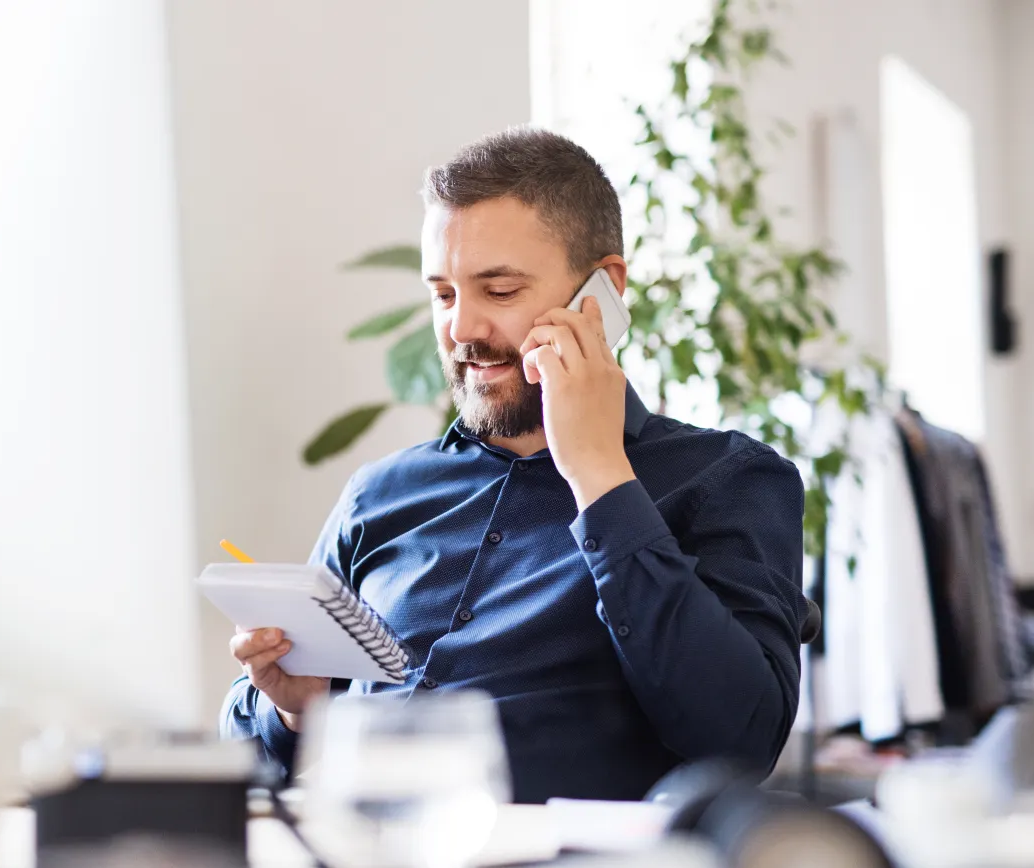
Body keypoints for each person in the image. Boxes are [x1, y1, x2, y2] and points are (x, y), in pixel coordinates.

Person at [221, 127, 805, 803]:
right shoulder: (378, 495)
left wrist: (598, 475)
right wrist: (295, 709)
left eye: (498, 291)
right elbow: (241, 764)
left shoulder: (726, 479)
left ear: (602, 292)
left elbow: (742, 739)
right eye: (443, 295)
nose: (461, 330)